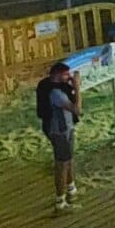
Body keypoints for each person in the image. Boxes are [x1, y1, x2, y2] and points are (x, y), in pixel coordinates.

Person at [38, 59, 81, 210]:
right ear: (57, 75)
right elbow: (77, 110)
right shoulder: (56, 93)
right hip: (60, 131)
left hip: (64, 128)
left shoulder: (49, 85)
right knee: (62, 164)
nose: (69, 77)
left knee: (69, 159)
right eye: (66, 75)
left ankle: (71, 188)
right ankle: (60, 201)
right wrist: (77, 88)